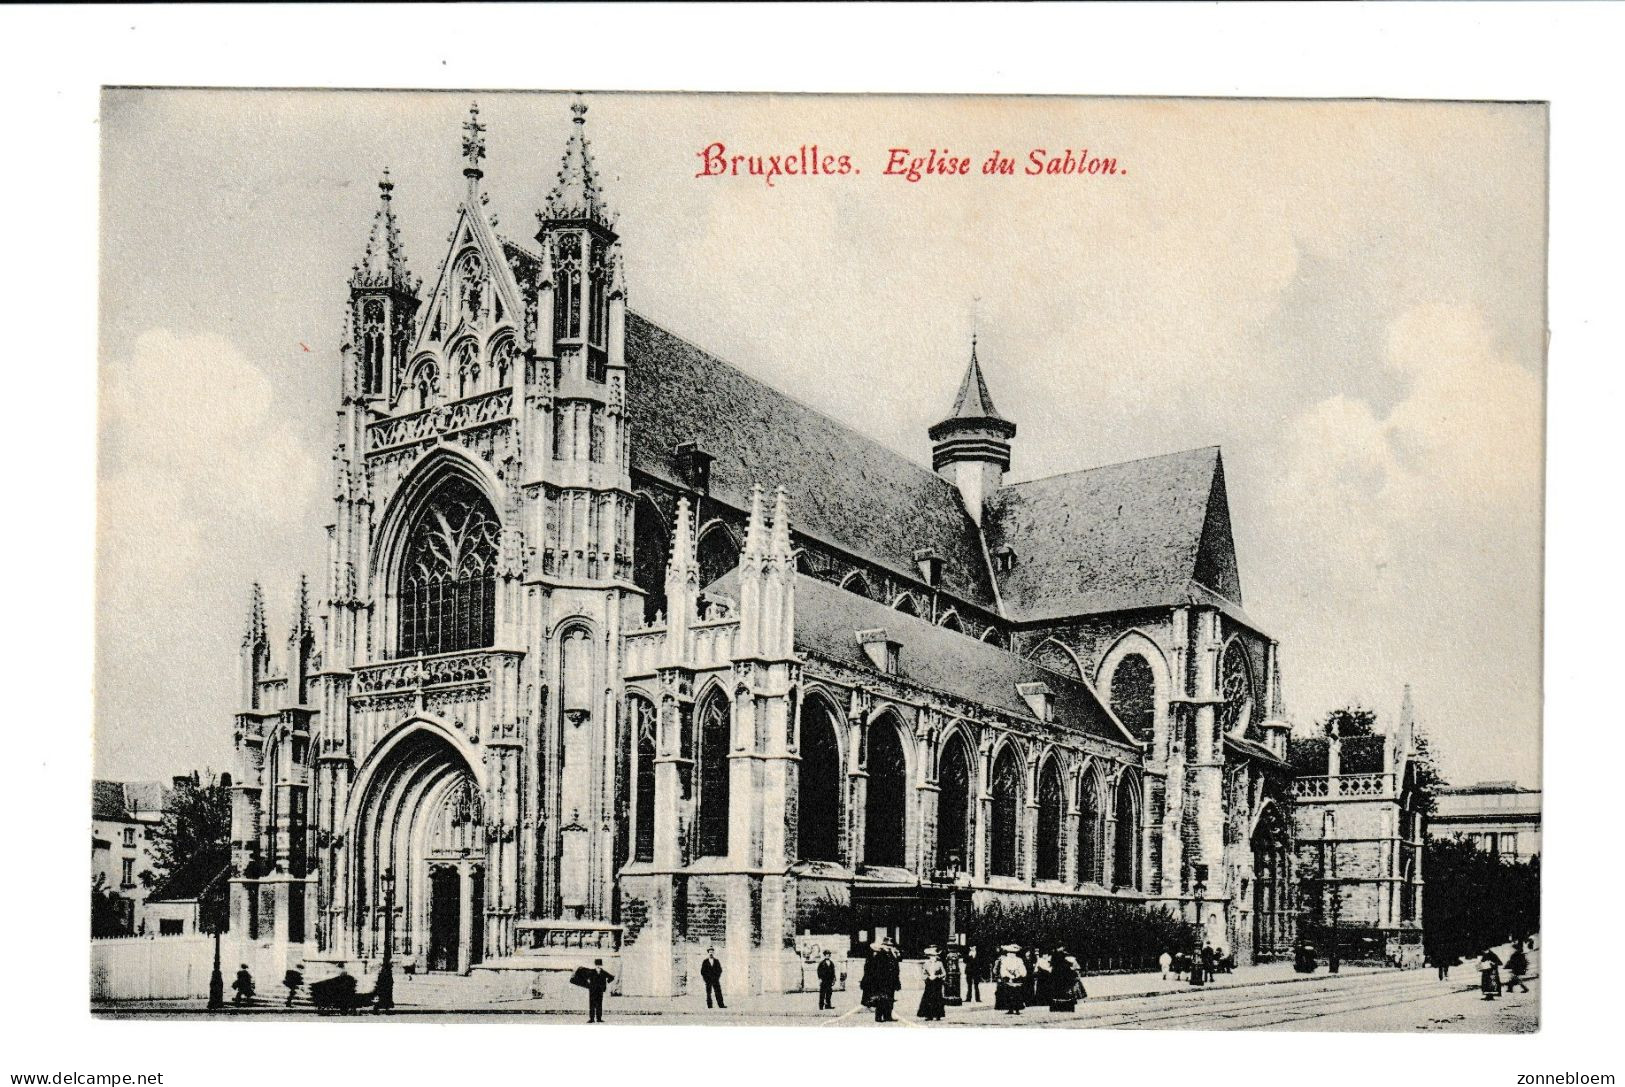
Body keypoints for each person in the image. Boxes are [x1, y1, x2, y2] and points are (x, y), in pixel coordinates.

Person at [860, 941, 900, 1022]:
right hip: (883, 981)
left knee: (890, 999)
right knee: (881, 999)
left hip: (892, 981)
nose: (889, 947)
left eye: (890, 945)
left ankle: (888, 1016)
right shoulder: (880, 954)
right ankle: (878, 1016)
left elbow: (896, 967)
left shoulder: (892, 954)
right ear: (883, 945)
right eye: (887, 945)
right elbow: (877, 969)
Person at [994, 945, 1028, 1015]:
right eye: (1010, 952)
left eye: (1013, 953)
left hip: (1017, 978)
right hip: (1008, 978)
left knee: (1018, 994)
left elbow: (1022, 968)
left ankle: (1018, 1009)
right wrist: (1009, 976)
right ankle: (1010, 1009)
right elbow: (1003, 969)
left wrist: (1019, 974)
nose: (1012, 954)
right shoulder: (1005, 960)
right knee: (1009, 994)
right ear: (1008, 953)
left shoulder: (1019, 960)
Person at [917, 946, 947, 1021]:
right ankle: (928, 1015)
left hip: (937, 982)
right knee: (928, 998)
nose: (933, 958)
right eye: (931, 956)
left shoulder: (939, 963)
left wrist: (938, 976)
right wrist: (927, 977)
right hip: (929, 982)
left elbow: (944, 973)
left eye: (934, 956)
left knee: (937, 998)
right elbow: (923, 973)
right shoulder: (926, 964)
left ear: (936, 956)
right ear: (929, 956)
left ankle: (937, 1015)